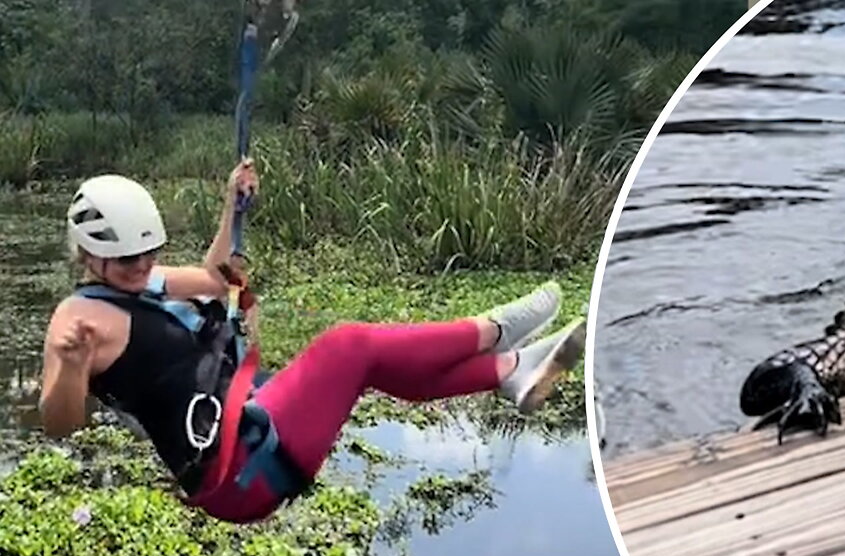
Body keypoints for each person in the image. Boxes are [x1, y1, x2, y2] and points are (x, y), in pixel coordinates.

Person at [39, 160, 587, 523]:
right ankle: (494, 330)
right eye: (126, 259)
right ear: (87, 254)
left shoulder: (146, 283)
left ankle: (507, 371)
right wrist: (69, 363)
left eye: (148, 253)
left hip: (253, 424)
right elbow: (60, 424)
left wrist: (233, 205)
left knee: (371, 367)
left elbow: (214, 279)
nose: (141, 267)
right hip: (234, 473)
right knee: (349, 347)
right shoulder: (76, 321)